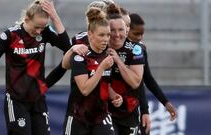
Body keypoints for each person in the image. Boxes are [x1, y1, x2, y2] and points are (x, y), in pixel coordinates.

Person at [0, 0, 70, 135]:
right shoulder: (10, 35)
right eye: (36, 27)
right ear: (26, 19)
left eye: (42, 27)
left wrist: (54, 16)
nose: (39, 31)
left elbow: (67, 47)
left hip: (38, 99)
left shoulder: (45, 32)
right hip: (16, 99)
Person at [62, 7, 123, 135]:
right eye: (101, 35)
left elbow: (104, 84)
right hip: (78, 117)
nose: (106, 39)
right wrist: (101, 68)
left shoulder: (107, 56)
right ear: (90, 34)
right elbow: (85, 89)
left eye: (107, 35)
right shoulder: (80, 57)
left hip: (100, 116)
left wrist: (115, 96)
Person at [128, 13, 178, 135]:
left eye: (142, 34)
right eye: (136, 33)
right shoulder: (113, 49)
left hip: (134, 105)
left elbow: (147, 79)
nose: (140, 37)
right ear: (126, 29)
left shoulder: (140, 49)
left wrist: (165, 102)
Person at [105, 3, 147, 135]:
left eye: (121, 30)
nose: (117, 34)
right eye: (112, 30)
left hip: (129, 111)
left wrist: (118, 60)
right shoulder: (99, 47)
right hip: (103, 111)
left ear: (126, 30)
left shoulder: (135, 49)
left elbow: (136, 82)